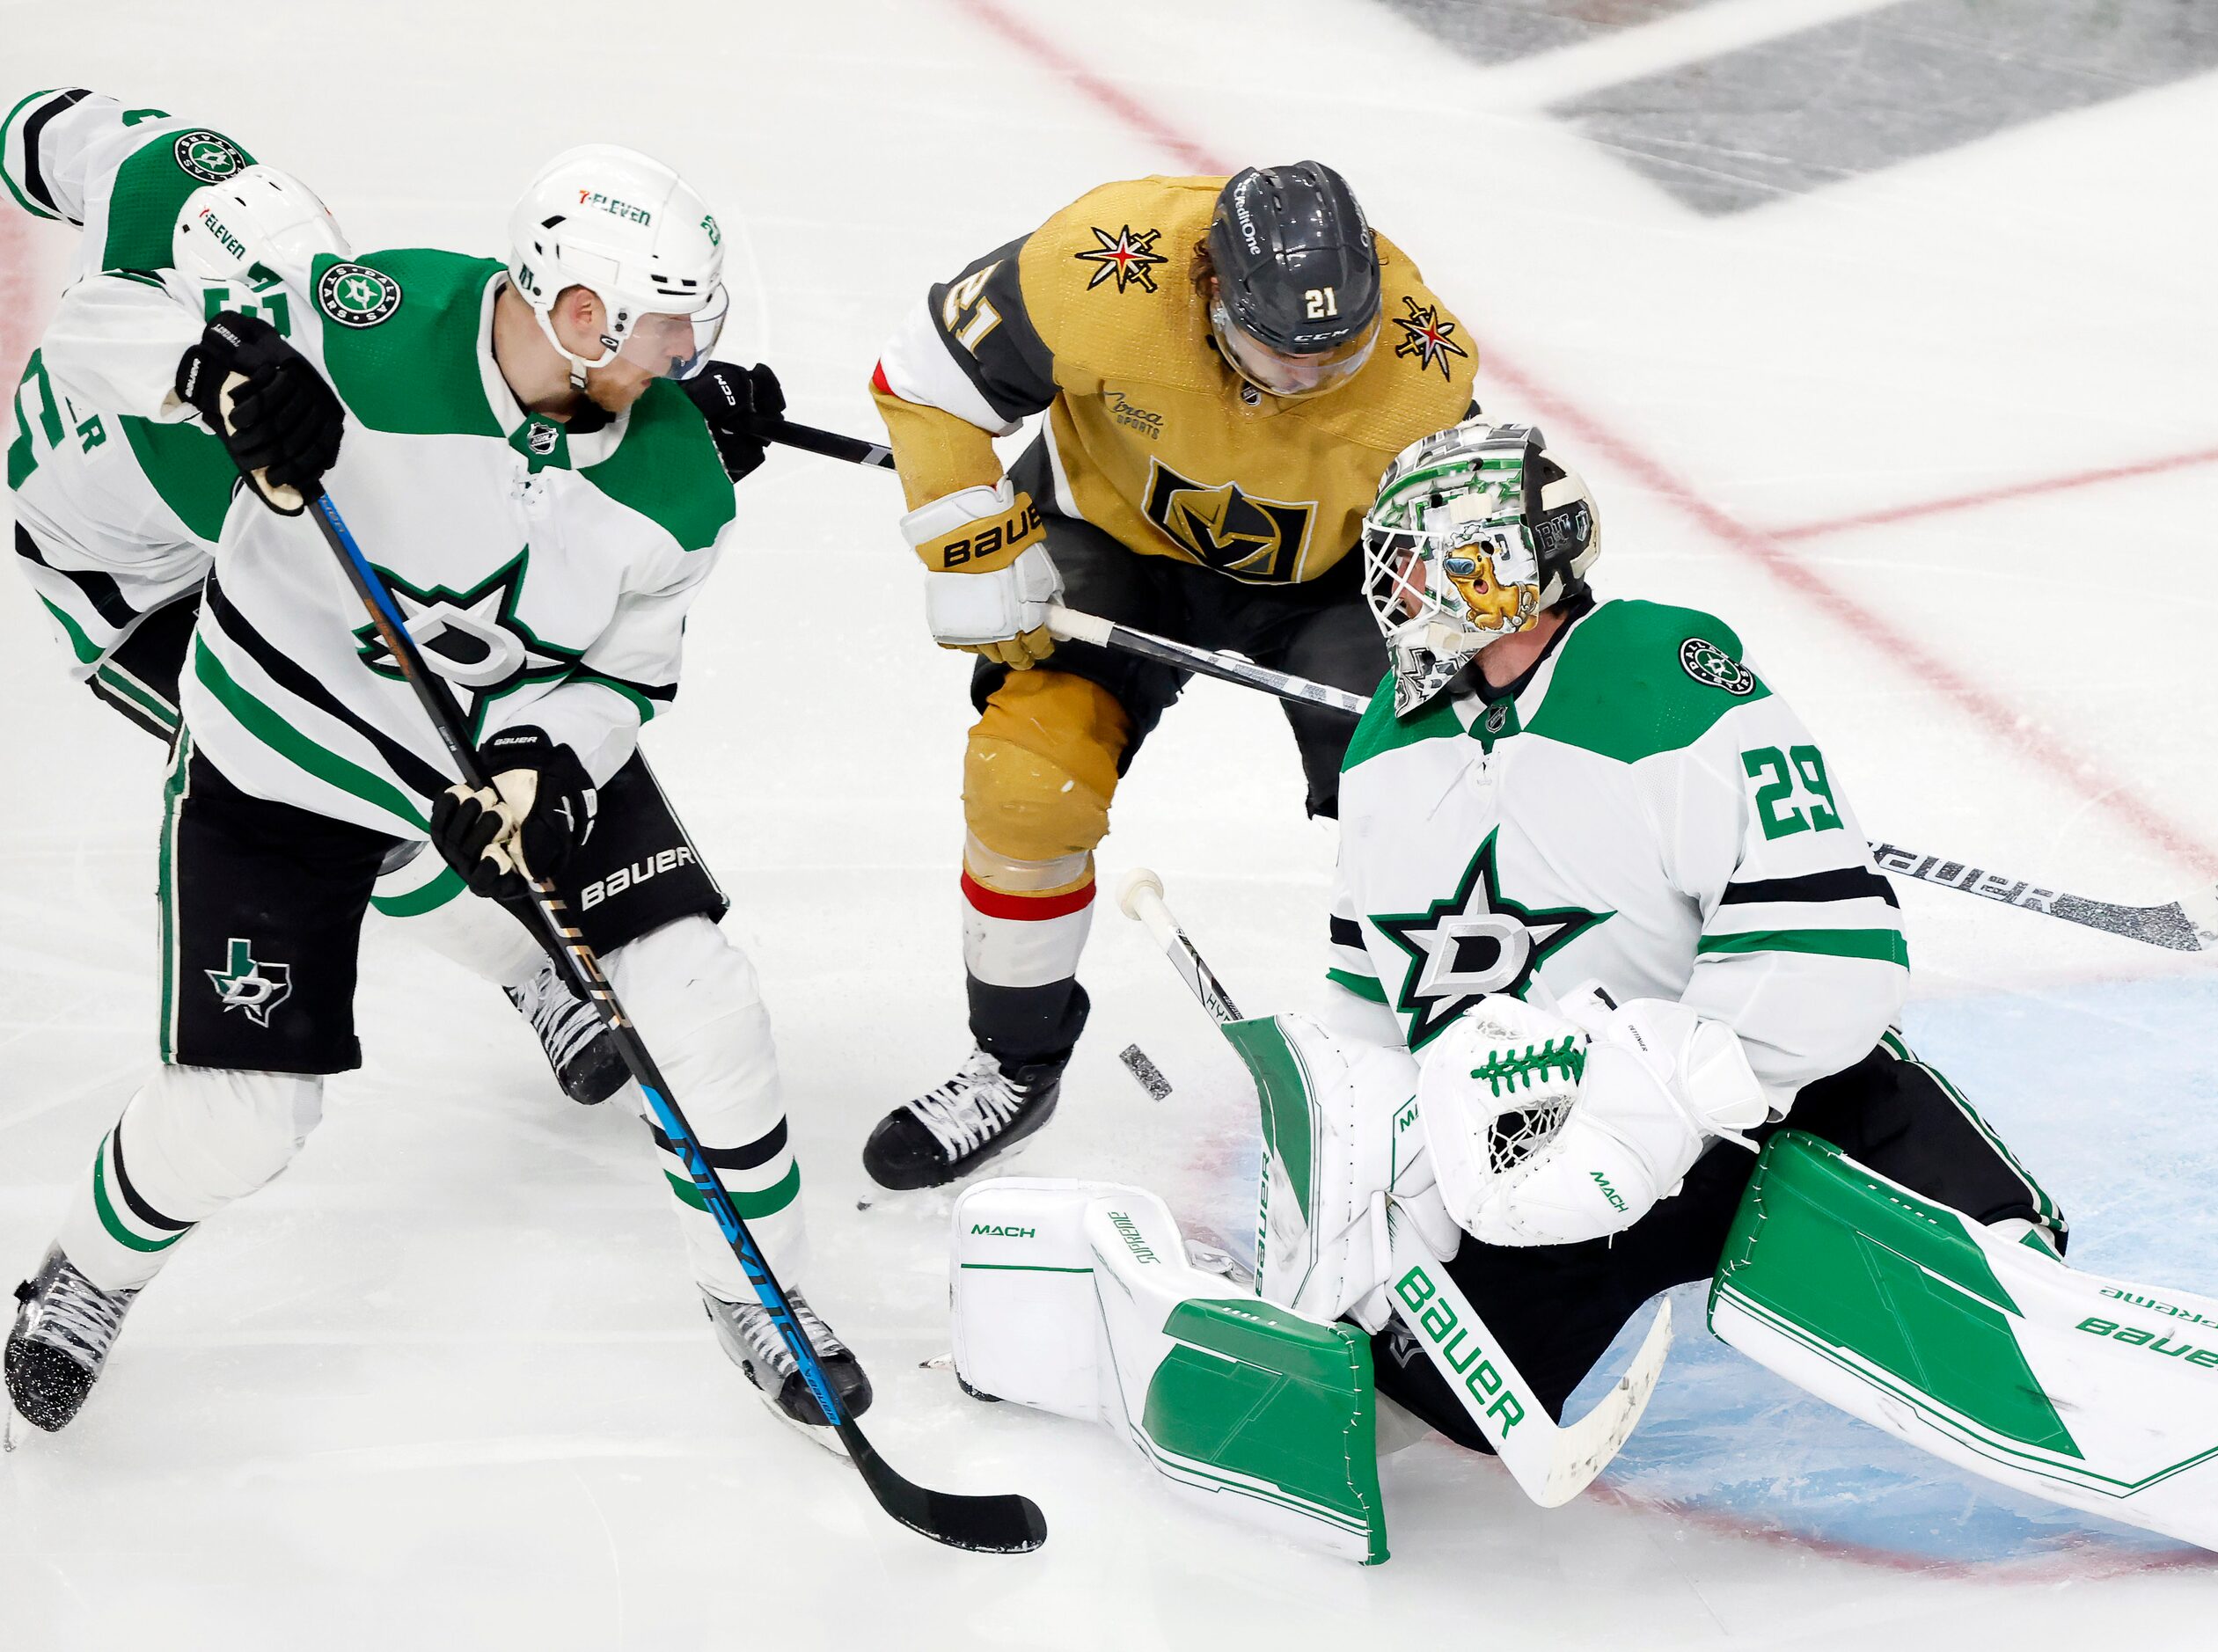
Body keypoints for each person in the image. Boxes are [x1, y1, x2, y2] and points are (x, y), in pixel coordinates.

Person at [939, 422, 2218, 1606]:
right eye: (1393, 562)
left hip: (1770, 1101)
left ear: (1508, 562)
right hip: (1545, 1146)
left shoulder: (1669, 681)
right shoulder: (1398, 751)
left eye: (1426, 561)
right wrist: (1378, 1166)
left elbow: (1829, 963)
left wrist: (1675, 1080)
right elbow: (1380, 1004)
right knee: (1414, 1394)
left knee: (1972, 1310)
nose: (1394, 593)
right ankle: (1088, 1295)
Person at [3, 137, 863, 1451]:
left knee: (700, 996)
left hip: (499, 740)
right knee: (242, 1113)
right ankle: (86, 1277)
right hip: (282, 755)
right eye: (665, 328)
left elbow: (622, 672)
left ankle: (769, 1291)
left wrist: (540, 758)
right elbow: (91, 339)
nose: (689, 355)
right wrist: (211, 371)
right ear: (579, 315)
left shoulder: (681, 478)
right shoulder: (372, 321)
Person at [2, 86, 658, 1107]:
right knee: (355, 784)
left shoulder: (180, 174)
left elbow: (40, 125)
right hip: (127, 599)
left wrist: (627, 381)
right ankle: (535, 973)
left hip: (235, 526)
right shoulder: (225, 450)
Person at [862, 161, 1478, 1188]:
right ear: (1208, 292)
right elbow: (921, 381)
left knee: (1420, 799)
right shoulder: (1099, 269)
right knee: (1027, 785)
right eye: (1278, 352)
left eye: (1338, 353)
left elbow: (1469, 551)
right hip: (1108, 536)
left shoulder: (1421, 370)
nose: (1311, 380)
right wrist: (976, 545)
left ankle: (1431, 1080)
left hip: (1330, 581)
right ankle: (1016, 1063)